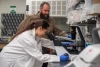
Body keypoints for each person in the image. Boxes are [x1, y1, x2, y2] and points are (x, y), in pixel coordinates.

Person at [16, 2, 68, 67]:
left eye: (48, 11)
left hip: (46, 51)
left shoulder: (51, 20)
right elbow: (20, 30)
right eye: (45, 10)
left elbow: (58, 31)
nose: (47, 13)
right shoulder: (31, 18)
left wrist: (67, 37)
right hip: (31, 51)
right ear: (40, 9)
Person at [0, 19, 69, 67]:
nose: (45, 34)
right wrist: (58, 58)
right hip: (9, 60)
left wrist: (59, 44)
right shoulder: (27, 38)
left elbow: (43, 41)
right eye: (45, 32)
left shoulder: (34, 35)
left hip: (16, 58)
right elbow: (40, 57)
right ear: (40, 28)